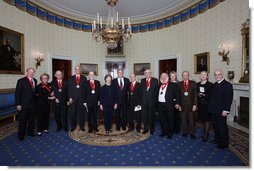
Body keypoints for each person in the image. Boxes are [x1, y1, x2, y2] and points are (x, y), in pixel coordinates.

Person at [208, 69, 233, 149]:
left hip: (221, 111)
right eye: (215, 74)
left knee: (222, 127)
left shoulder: (227, 85)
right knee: (215, 126)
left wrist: (226, 110)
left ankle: (224, 143)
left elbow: (228, 99)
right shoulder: (215, 84)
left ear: (222, 74)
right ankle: (217, 139)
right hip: (213, 110)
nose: (217, 76)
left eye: (219, 74)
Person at [15, 67, 37, 141]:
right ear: (27, 72)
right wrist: (18, 104)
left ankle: (30, 132)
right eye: (30, 72)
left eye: (33, 72)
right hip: (23, 105)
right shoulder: (21, 81)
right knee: (22, 120)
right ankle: (21, 135)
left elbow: (34, 92)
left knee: (32, 120)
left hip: (33, 104)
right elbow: (17, 94)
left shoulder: (35, 80)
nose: (31, 73)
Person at [157, 73, 180, 139]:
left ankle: (170, 133)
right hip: (160, 105)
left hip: (169, 105)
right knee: (162, 119)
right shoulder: (159, 85)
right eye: (162, 76)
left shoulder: (173, 85)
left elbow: (177, 95)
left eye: (165, 76)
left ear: (167, 77)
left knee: (170, 119)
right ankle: (164, 132)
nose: (163, 78)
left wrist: (177, 103)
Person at [178, 71, 198, 139]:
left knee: (191, 120)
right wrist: (179, 105)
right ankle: (185, 132)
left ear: (188, 76)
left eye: (186, 75)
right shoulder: (179, 84)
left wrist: (195, 105)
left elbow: (195, 95)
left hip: (191, 105)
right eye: (184, 75)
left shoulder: (193, 83)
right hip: (182, 105)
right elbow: (178, 96)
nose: (185, 76)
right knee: (183, 120)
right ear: (182, 76)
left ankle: (192, 133)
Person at [68, 66, 87, 131]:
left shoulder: (84, 78)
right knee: (73, 113)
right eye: (76, 69)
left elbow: (85, 89)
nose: (77, 70)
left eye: (78, 69)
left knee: (81, 113)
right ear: (74, 70)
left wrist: (85, 100)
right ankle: (73, 126)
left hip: (81, 99)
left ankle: (82, 126)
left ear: (80, 70)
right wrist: (70, 97)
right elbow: (69, 88)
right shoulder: (71, 78)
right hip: (73, 99)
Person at [197, 71, 213, 142]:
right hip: (200, 105)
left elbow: (211, 95)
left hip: (207, 105)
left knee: (206, 120)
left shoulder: (210, 85)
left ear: (207, 76)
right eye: (201, 74)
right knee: (202, 120)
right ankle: (204, 132)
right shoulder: (197, 84)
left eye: (204, 75)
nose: (203, 76)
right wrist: (198, 94)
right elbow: (195, 93)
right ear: (200, 76)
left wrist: (203, 95)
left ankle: (206, 135)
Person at [141, 69, 158, 135]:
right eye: (146, 73)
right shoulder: (142, 81)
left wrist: (155, 102)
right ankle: (145, 128)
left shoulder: (155, 80)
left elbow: (156, 92)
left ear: (150, 73)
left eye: (148, 73)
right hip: (144, 102)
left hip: (152, 102)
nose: (147, 74)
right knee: (145, 116)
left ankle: (152, 129)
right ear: (144, 74)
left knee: (151, 116)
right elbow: (141, 92)